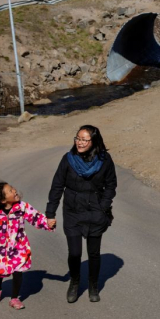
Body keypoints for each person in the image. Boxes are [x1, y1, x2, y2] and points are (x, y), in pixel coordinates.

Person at [46, 125, 117, 303]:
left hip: (95, 211)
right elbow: (57, 186)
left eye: (85, 139)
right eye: (78, 138)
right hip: (72, 211)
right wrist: (50, 213)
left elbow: (111, 185)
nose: (80, 142)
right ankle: (75, 282)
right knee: (75, 253)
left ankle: (93, 286)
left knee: (94, 253)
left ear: (94, 141)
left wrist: (104, 206)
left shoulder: (104, 160)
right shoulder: (68, 159)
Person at [0, 182, 55, 310]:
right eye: (10, 190)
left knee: (18, 271)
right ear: (3, 200)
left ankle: (14, 298)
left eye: (12, 188)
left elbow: (35, 217)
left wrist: (47, 223)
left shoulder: (22, 207)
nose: (14, 190)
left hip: (18, 246)